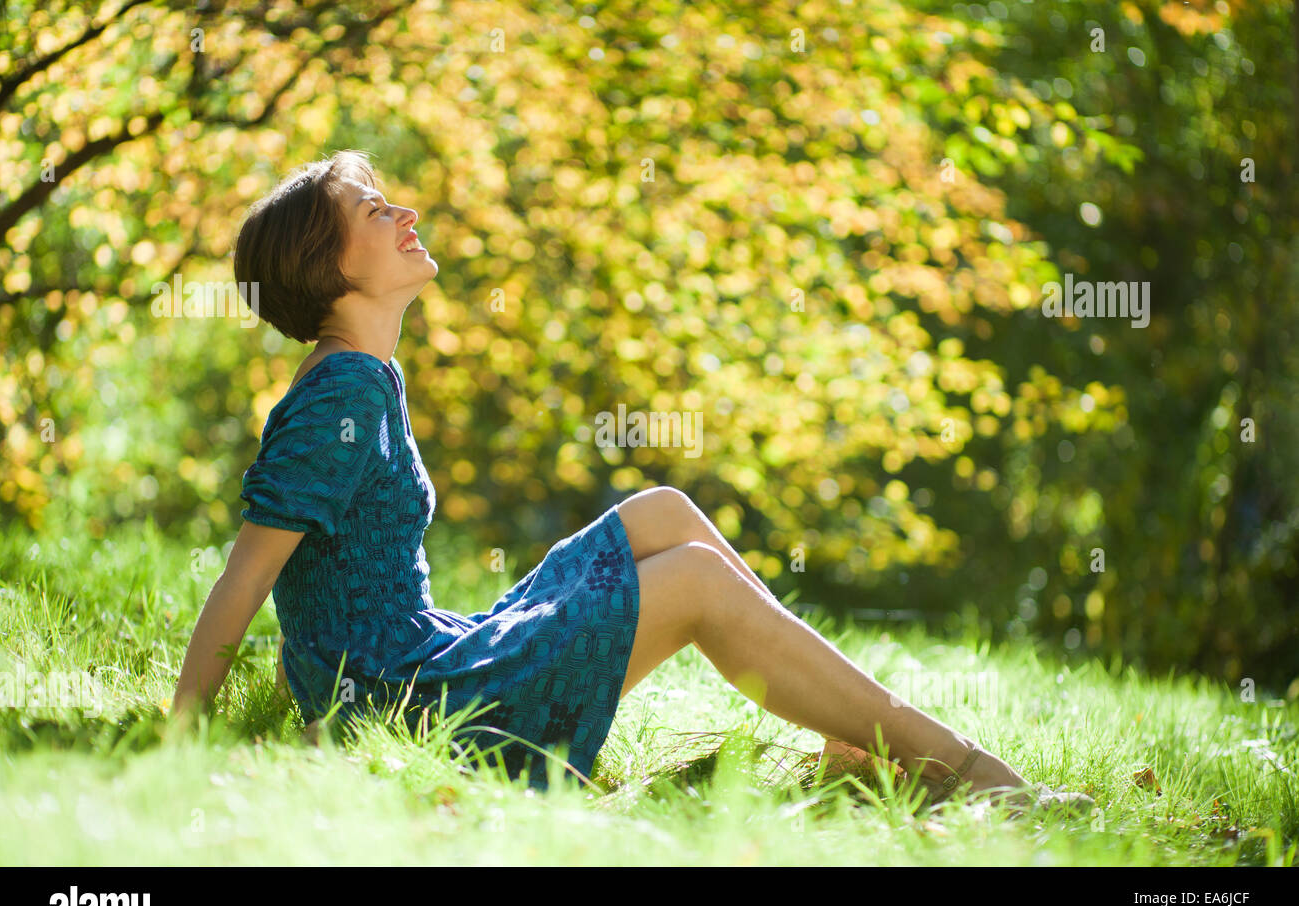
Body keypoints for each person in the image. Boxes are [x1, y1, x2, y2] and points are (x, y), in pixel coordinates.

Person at [172, 149, 1094, 813]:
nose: (404, 212)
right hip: (407, 699)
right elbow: (248, 575)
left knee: (663, 512)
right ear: (328, 266)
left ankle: (855, 742)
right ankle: (961, 768)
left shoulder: (367, 377)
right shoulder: (340, 393)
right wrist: (184, 742)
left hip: (427, 659)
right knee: (689, 583)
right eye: (373, 210)